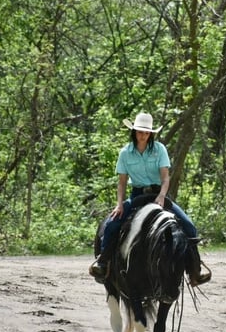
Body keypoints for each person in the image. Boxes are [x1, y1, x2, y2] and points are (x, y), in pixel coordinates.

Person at [89, 111, 211, 287]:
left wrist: (162, 196)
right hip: (138, 195)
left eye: (146, 132)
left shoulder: (159, 149)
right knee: (112, 224)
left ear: (151, 134)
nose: (143, 135)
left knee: (189, 226)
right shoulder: (125, 153)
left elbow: (165, 178)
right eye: (140, 132)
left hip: (157, 195)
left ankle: (195, 270)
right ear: (134, 132)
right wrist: (119, 204)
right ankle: (103, 262)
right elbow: (122, 182)